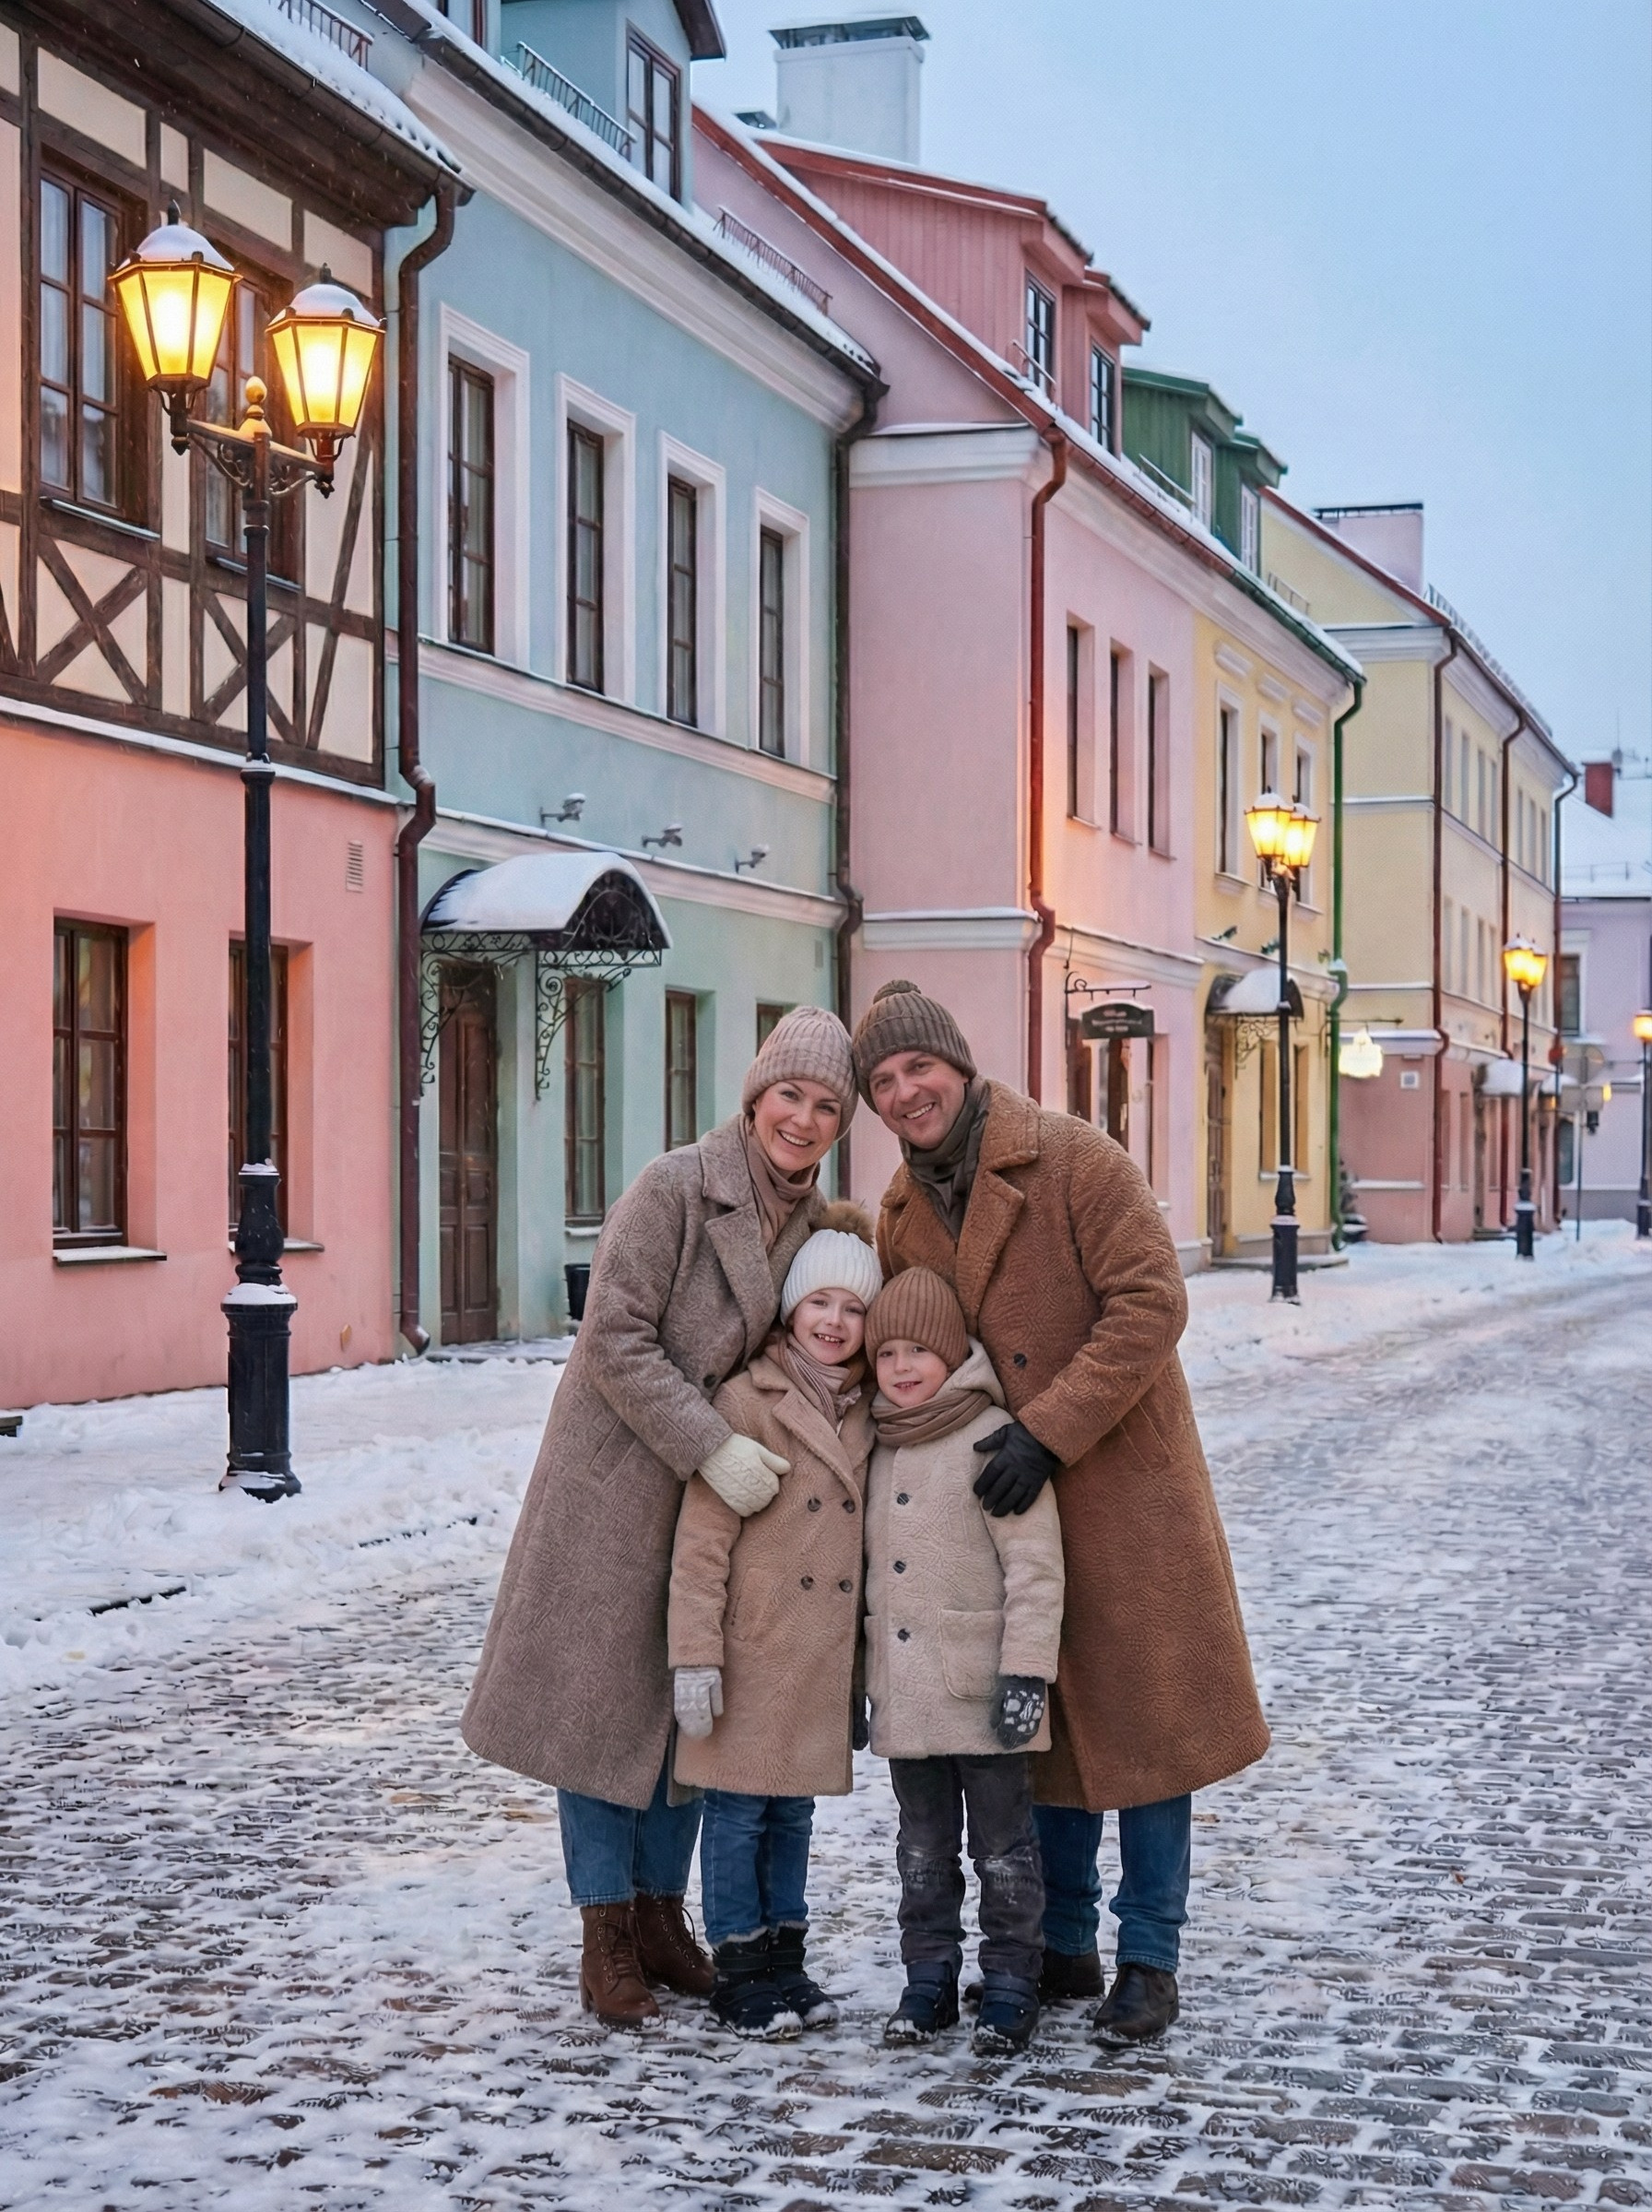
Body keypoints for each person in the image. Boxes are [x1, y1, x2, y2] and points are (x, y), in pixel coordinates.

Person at [852, 979, 1269, 2046]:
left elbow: (1149, 1300)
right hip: (997, 1508)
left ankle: (1150, 1953)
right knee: (1043, 1718)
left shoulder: (1074, 1157)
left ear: (958, 1062)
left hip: (1121, 1487)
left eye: (918, 1070)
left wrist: (1048, 1427)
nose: (906, 1094)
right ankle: (1066, 1937)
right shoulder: (901, 1211)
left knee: (1149, 1728)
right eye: (883, 1083)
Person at [462, 1006, 859, 2027]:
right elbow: (616, 1335)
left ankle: (659, 1911)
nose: (803, 1120)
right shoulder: (678, 1184)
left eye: (826, 1105)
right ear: (755, 1094)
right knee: (599, 1707)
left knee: (690, 1705)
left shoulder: (820, 1227)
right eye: (790, 1096)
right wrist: (712, 1444)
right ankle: (606, 1929)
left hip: (729, 1508)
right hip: (616, 1482)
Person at [668, 1206, 882, 2038]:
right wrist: (695, 1657)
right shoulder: (746, 1400)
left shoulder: (869, 1410)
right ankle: (738, 1965)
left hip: (821, 1659)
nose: (834, 1322)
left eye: (854, 1308)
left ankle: (785, 1958)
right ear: (792, 1307)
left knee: (794, 1814)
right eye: (820, 1303)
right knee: (737, 1814)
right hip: (750, 1648)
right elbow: (701, 1544)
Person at [862, 1267, 1064, 2057]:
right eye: (888, 1353)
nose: (904, 1366)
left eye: (921, 1350)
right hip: (906, 1697)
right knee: (920, 1846)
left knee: (1004, 1847)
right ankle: (928, 1977)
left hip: (982, 1691)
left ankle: (1013, 1979)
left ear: (953, 1354)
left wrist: (1027, 1671)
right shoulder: (875, 1442)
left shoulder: (990, 1437)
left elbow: (1036, 1567)